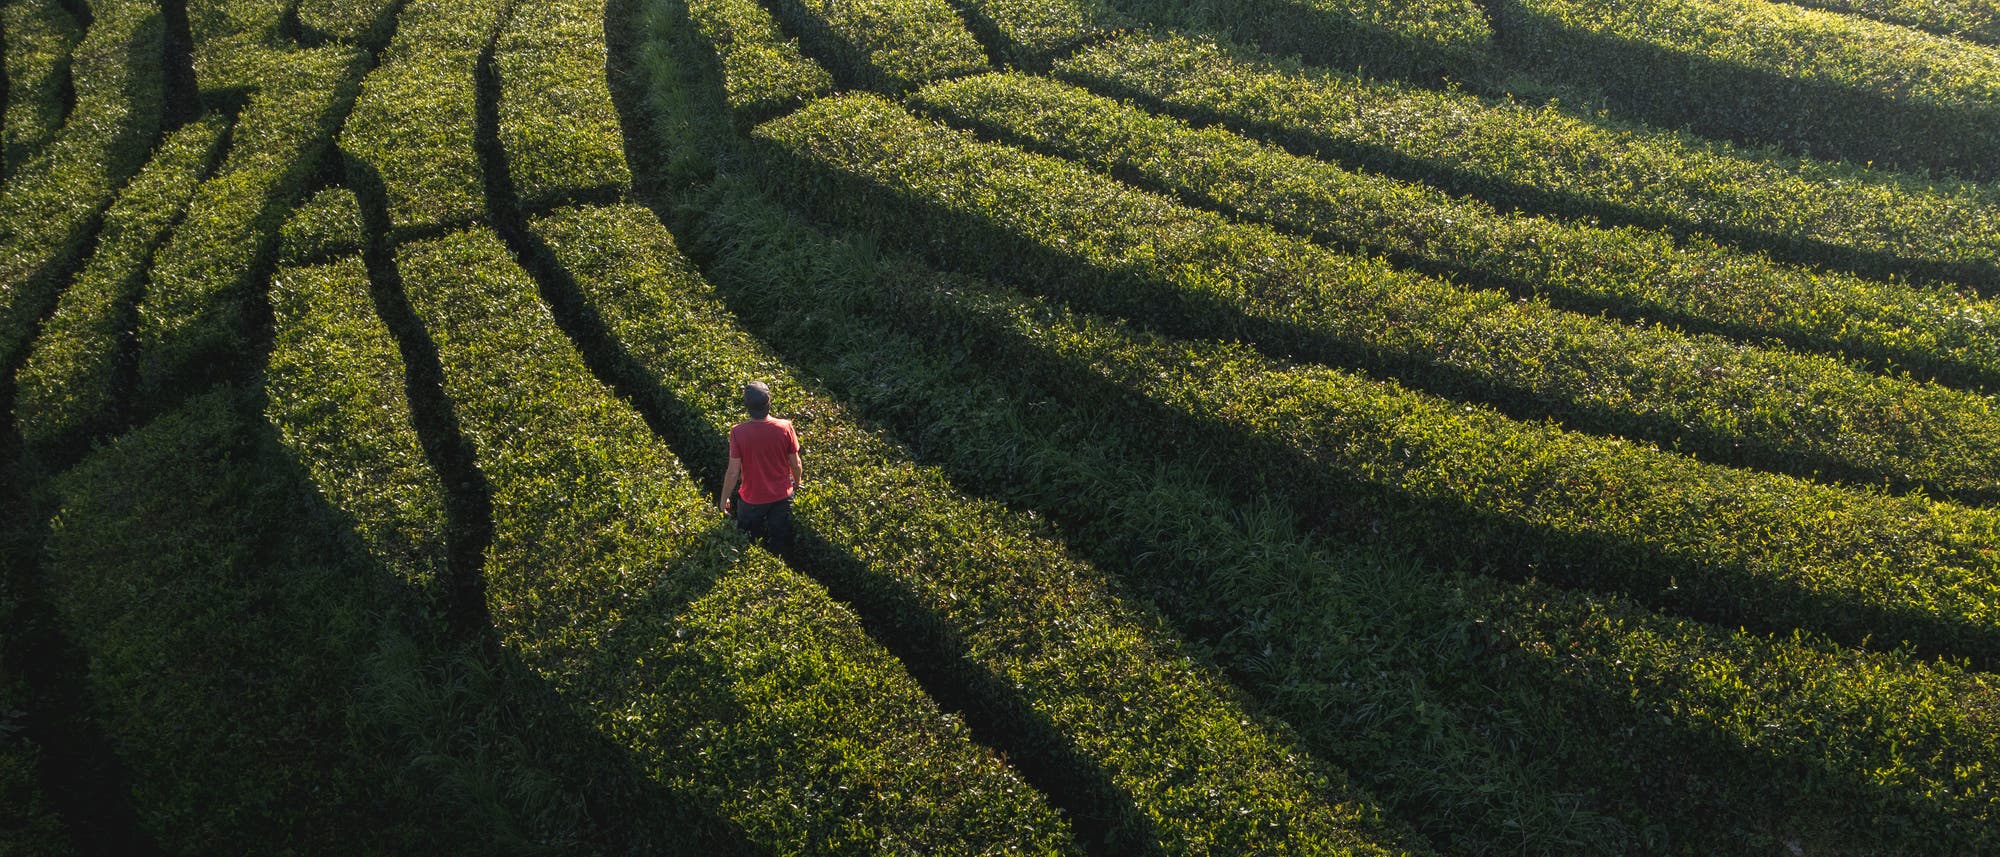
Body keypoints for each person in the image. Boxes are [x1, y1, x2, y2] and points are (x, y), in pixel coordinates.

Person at [718, 381, 802, 554]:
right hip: (782, 497)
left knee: (747, 539)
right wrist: (797, 482)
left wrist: (723, 499)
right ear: (769, 402)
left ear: (746, 406)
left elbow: (733, 472)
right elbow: (796, 463)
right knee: (779, 539)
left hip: (751, 500)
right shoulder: (785, 427)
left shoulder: (738, 432)